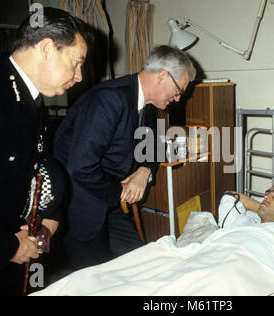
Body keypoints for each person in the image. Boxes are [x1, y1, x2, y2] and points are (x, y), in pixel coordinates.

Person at [0, 8, 93, 296]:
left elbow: (36, 168)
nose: (79, 76)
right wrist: (7, 246)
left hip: (10, 253)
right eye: (76, 63)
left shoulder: (28, 100)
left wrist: (49, 218)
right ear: (46, 48)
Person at [53, 45, 196, 271]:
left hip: (108, 201)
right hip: (81, 207)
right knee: (100, 279)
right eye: (178, 90)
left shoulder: (145, 105)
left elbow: (153, 146)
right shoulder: (109, 99)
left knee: (143, 262)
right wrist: (119, 192)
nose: (178, 99)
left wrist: (144, 171)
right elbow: (80, 168)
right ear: (162, 76)